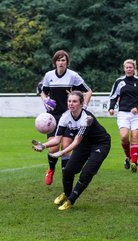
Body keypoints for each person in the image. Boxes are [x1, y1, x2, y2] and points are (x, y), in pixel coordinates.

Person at [32, 91, 111, 210]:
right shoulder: (65, 116)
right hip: (84, 144)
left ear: (81, 103)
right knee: (68, 170)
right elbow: (57, 139)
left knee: (86, 173)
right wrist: (43, 145)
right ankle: (66, 194)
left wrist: (62, 152)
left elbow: (76, 142)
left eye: (74, 101)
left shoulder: (87, 118)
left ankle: (71, 200)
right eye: (69, 101)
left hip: (100, 144)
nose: (71, 104)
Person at [40, 50, 92, 185]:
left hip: (70, 116)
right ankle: (51, 169)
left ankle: (65, 177)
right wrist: (45, 100)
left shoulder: (73, 76)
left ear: (67, 62)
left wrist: (84, 106)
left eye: (63, 60)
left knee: (66, 147)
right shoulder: (49, 75)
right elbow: (43, 92)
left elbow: (88, 91)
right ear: (55, 62)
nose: (61, 62)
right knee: (53, 148)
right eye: (59, 60)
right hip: (53, 116)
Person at [108, 59, 138, 173]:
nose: (129, 69)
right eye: (127, 67)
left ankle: (134, 162)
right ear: (124, 68)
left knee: (135, 136)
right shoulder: (119, 81)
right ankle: (128, 157)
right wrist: (111, 108)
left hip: (137, 114)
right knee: (124, 137)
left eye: (131, 67)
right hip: (123, 114)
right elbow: (113, 96)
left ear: (134, 69)